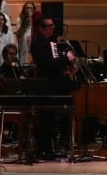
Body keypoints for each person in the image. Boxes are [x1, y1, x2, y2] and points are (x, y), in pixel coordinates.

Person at [31, 14, 76, 159]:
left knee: (58, 116)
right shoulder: (38, 43)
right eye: (48, 26)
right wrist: (66, 58)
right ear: (40, 28)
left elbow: (55, 65)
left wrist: (68, 67)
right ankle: (46, 148)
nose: (51, 29)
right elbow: (48, 64)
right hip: (47, 87)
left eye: (52, 26)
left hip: (55, 85)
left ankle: (59, 146)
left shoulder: (50, 42)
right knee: (46, 118)